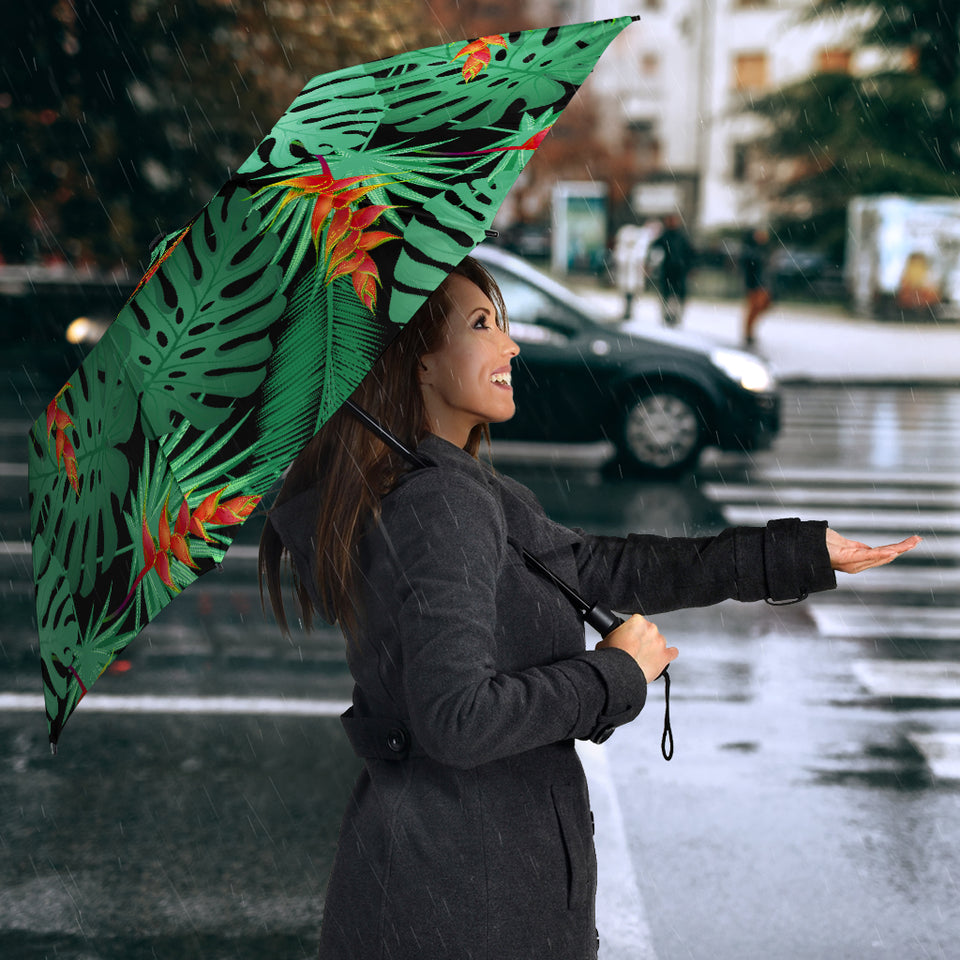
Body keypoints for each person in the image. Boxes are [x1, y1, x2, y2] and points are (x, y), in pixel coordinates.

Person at [259, 256, 920, 960]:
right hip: (465, 901)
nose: (510, 345)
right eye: (482, 325)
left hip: (458, 882)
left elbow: (602, 568)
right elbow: (456, 719)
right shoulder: (439, 504)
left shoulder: (451, 488)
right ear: (417, 362)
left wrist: (795, 554)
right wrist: (613, 674)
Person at [648, 213, 695, 327]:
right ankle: (667, 315)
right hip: (668, 270)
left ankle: (675, 316)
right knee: (667, 294)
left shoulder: (681, 237)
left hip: (679, 271)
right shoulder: (665, 236)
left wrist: (690, 267)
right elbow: (654, 249)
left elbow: (690, 253)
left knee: (677, 295)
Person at [741, 226, 772, 347]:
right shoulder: (750, 250)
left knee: (762, 306)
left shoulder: (763, 249)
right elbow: (750, 265)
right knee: (754, 308)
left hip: (763, 283)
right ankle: (748, 333)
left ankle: (750, 331)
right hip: (754, 284)